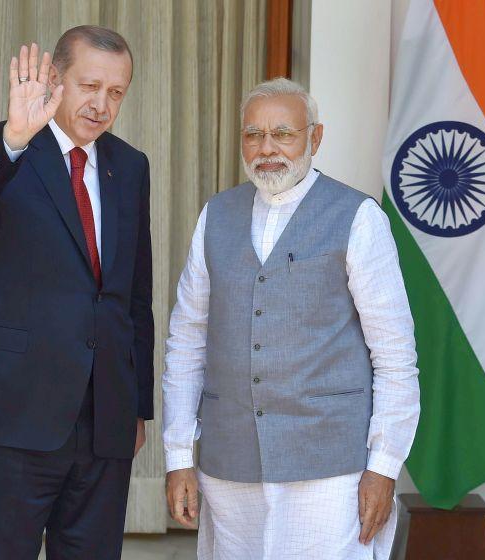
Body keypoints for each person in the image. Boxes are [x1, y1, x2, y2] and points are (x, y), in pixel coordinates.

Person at [162, 77, 420, 560]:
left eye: (283, 133)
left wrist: (384, 466)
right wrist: (178, 457)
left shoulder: (358, 217)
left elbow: (395, 353)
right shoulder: (215, 216)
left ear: (314, 138)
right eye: (253, 135)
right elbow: (187, 341)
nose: (267, 149)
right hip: (229, 461)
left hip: (329, 467)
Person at [0, 25, 154, 560]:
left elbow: (134, 295)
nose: (102, 104)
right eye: (89, 86)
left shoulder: (130, 166)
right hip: (10, 413)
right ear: (55, 79)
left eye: (116, 92)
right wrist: (12, 138)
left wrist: (138, 405)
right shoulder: (0, 145)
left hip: (103, 422)